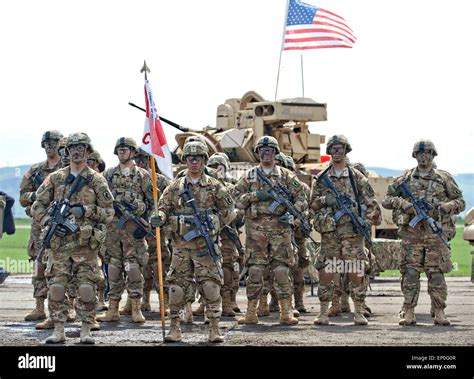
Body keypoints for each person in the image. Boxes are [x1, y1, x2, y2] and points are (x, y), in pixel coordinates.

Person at [31, 132, 114, 344]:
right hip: (59, 245)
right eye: (73, 148)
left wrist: (86, 211)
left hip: (85, 246)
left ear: (88, 151)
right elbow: (37, 205)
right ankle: (58, 329)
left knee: (86, 289)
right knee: (57, 287)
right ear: (67, 151)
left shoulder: (96, 180)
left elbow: (108, 213)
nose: (77, 151)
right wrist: (49, 220)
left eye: (81, 148)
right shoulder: (56, 178)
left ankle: (86, 329)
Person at [151, 141, 236, 342]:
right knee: (177, 288)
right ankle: (174, 328)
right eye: (190, 158)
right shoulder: (175, 187)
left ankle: (214, 328)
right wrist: (160, 218)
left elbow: (229, 212)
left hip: (205, 247)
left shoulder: (215, 186)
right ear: (185, 161)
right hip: (181, 247)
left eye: (198, 158)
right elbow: (164, 208)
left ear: (205, 160)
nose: (194, 161)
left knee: (210, 286)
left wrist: (214, 225)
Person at [382, 139, 465, 326]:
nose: (423, 157)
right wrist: (402, 203)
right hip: (412, 235)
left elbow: (461, 201)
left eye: (427, 153)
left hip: (435, 235)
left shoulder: (443, 179)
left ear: (433, 155)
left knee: (436, 274)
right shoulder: (404, 179)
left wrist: (448, 206)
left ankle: (439, 311)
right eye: (420, 154)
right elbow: (387, 199)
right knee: (410, 273)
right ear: (415, 156)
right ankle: (409, 311)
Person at [233, 136, 306, 326]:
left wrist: (292, 217)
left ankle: (285, 311)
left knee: (281, 271)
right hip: (256, 232)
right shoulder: (249, 176)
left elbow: (301, 198)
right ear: (257, 153)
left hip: (281, 232)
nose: (267, 154)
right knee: (255, 271)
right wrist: (254, 196)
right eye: (263, 150)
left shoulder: (286, 176)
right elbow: (235, 199)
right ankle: (251, 312)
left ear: (275, 153)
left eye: (270, 150)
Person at [311, 135, 381, 326]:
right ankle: (323, 312)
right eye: (333, 149)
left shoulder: (356, 177)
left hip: (352, 232)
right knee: (327, 270)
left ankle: (358, 312)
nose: (336, 152)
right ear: (329, 152)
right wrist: (326, 201)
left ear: (346, 150)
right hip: (331, 232)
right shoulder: (322, 178)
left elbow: (372, 204)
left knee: (355, 271)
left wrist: (365, 221)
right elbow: (312, 205)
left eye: (340, 148)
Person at [97, 138, 154, 324]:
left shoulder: (143, 176)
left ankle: (136, 307)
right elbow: (100, 200)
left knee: (134, 268)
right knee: (113, 268)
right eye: (120, 150)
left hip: (134, 231)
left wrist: (147, 224)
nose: (122, 152)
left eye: (126, 149)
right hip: (113, 231)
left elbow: (153, 202)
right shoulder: (109, 174)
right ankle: (113, 308)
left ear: (133, 152)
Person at [19, 130, 63, 323]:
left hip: (61, 225)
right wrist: (36, 196)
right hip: (39, 226)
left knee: (62, 266)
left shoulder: (69, 169)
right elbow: (23, 198)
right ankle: (39, 307)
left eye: (53, 142)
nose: (49, 146)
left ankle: (65, 307)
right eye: (46, 142)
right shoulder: (35, 171)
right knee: (38, 266)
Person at [133, 147, 171, 315]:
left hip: (156, 231)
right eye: (138, 158)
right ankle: (141, 301)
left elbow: (169, 204)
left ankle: (165, 301)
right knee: (140, 266)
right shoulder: (131, 179)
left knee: (160, 265)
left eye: (145, 158)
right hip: (136, 230)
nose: (141, 161)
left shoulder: (161, 181)